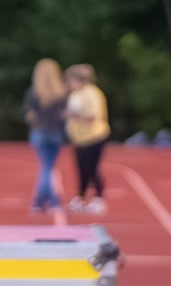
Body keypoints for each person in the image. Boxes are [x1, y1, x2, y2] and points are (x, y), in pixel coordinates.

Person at [25, 58, 69, 226]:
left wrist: (37, 125)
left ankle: (41, 199)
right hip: (55, 133)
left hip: (40, 133)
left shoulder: (33, 92)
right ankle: (49, 199)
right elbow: (64, 115)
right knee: (49, 166)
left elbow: (30, 115)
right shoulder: (61, 93)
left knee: (46, 166)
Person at [65, 63, 110, 215]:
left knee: (92, 168)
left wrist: (74, 115)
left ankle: (99, 198)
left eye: (70, 80)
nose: (69, 84)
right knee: (81, 169)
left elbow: (94, 115)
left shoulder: (93, 94)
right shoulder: (75, 94)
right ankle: (81, 197)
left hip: (94, 136)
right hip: (79, 138)